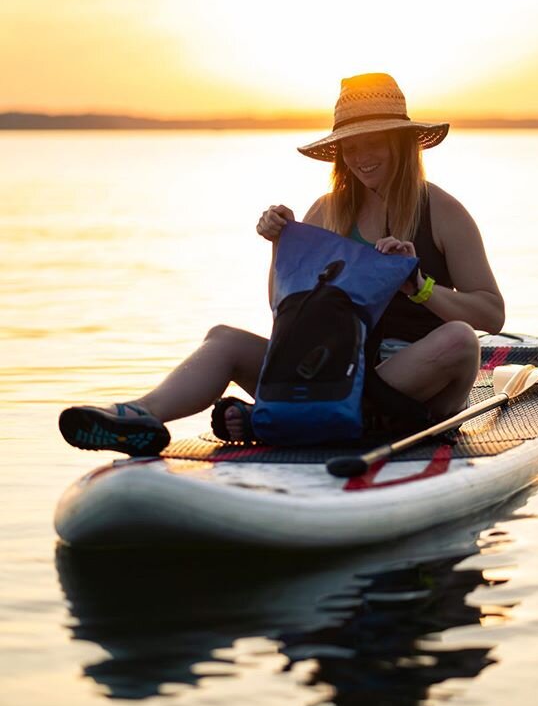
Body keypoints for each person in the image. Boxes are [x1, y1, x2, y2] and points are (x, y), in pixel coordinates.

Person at [59, 72, 504, 455]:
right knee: (224, 340)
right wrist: (279, 246)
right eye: (351, 146)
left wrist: (420, 287)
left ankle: (283, 422)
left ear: (402, 143)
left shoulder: (442, 211)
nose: (363, 157)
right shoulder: (326, 211)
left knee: (461, 340)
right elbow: (286, 311)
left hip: (407, 381)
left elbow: (492, 313)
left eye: (376, 143)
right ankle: (139, 416)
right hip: (331, 371)